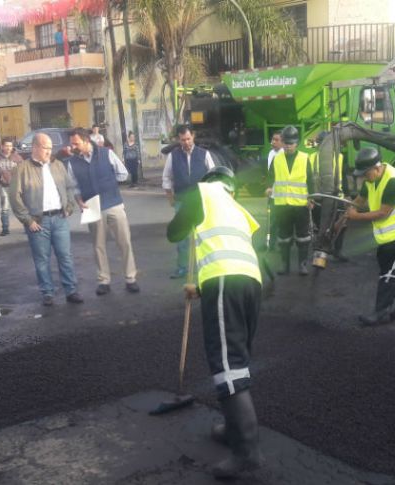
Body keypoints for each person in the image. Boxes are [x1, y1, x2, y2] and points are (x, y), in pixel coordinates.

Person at [167, 166, 263, 479]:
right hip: (249, 284)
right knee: (238, 360)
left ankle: (246, 453)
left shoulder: (204, 193)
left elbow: (174, 232)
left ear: (210, 183)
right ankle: (233, 429)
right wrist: (202, 288)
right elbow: (232, 254)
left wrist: (188, 217)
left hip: (225, 284)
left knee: (228, 367)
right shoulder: (237, 208)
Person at [344, 147, 395, 326]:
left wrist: (356, 217)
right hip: (388, 235)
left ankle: (381, 313)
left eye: (365, 173)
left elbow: (383, 213)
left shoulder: (394, 181)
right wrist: (348, 209)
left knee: (388, 272)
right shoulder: (371, 178)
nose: (363, 177)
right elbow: (360, 201)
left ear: (377, 168)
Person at [8, 133, 84, 306]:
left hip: (59, 218)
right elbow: (15, 197)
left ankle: (71, 291)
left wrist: (69, 207)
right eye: (45, 148)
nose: (49, 151)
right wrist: (27, 220)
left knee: (65, 256)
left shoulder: (57, 165)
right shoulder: (22, 168)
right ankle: (47, 293)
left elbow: (69, 187)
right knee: (42, 259)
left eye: (51, 148)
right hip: (38, 222)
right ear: (35, 147)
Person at [62, 128, 140, 295]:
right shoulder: (73, 162)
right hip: (92, 208)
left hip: (114, 204)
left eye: (75, 143)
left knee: (124, 242)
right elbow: (74, 186)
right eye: (71, 143)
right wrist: (79, 200)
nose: (72, 146)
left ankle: (130, 278)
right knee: (98, 246)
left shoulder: (106, 154)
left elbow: (123, 174)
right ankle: (104, 280)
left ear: (86, 140)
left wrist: (109, 185)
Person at [162, 124, 215, 278]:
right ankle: (182, 267)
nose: (186, 142)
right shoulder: (173, 156)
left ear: (193, 136)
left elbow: (212, 176)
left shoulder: (204, 154)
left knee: (203, 235)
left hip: (201, 202)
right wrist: (170, 197)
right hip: (182, 202)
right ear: (179, 140)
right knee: (182, 238)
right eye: (183, 140)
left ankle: (205, 266)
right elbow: (166, 177)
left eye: (188, 139)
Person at [265, 125, 315, 275]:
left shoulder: (304, 159)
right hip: (282, 205)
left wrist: (311, 198)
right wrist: (268, 187)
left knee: (303, 237)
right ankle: (284, 265)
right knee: (284, 237)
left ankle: (302, 265)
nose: (288, 146)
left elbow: (311, 180)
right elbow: (270, 176)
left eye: (291, 143)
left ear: (297, 143)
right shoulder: (277, 158)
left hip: (301, 205)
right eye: (286, 143)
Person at [308, 130, 348, 261]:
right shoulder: (311, 158)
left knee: (341, 224)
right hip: (319, 197)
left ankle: (338, 250)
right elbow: (307, 179)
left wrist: (347, 195)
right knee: (320, 226)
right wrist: (310, 197)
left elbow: (345, 178)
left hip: (337, 197)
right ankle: (321, 250)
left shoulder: (340, 157)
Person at [0, 138, 24, 236]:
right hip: (3, 186)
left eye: (10, 146)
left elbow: (23, 171)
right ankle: (5, 228)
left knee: (21, 207)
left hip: (16, 186)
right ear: (2, 146)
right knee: (5, 207)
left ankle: (27, 226)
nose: (8, 148)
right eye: (6, 146)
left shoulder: (17, 158)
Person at [265, 131, 283, 251]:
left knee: (280, 220)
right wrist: (269, 186)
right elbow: (270, 172)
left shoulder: (283, 155)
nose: (273, 142)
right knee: (272, 219)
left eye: (276, 140)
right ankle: (271, 244)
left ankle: (280, 244)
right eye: (272, 139)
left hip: (283, 194)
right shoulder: (271, 153)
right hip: (273, 194)